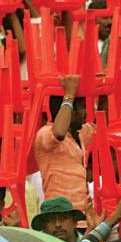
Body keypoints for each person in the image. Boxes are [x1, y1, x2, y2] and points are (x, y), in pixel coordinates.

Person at [33, 75, 92, 212]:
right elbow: (58, 133)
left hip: (82, 216)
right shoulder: (45, 134)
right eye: (81, 108)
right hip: (58, 217)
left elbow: (102, 124)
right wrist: (69, 93)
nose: (85, 112)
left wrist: (103, 88)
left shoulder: (80, 133)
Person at [31, 194, 121, 242]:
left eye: (64, 218)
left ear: (75, 221)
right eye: (51, 220)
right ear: (43, 227)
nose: (58, 224)